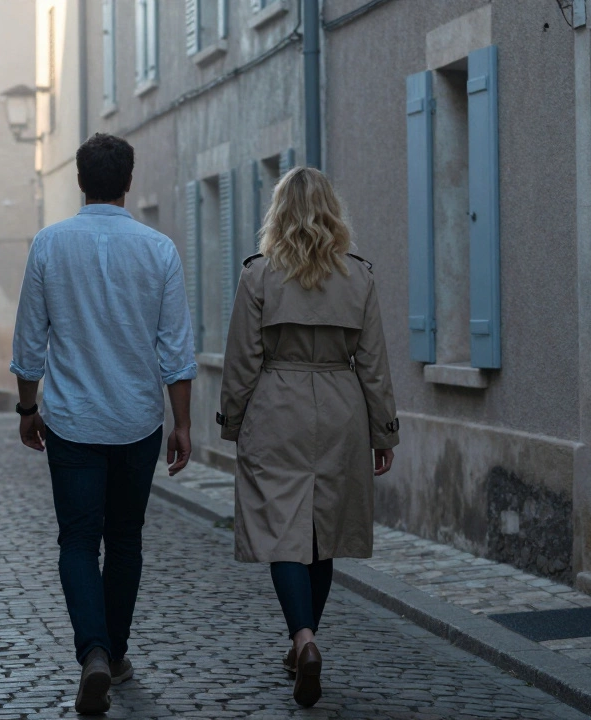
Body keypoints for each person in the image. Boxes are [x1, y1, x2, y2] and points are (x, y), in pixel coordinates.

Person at [11, 133, 197, 716]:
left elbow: (28, 342)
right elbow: (177, 349)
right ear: (129, 182)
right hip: (137, 421)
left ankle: (92, 652)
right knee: (124, 541)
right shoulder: (159, 250)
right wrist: (182, 423)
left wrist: (26, 408)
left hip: (70, 421)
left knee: (76, 540)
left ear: (79, 180)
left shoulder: (48, 244)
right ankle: (114, 656)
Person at [218, 166, 399, 708]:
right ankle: (306, 642)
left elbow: (242, 360)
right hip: (342, 405)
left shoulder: (259, 276)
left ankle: (303, 639)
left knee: (282, 526)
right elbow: (374, 365)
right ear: (330, 211)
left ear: (279, 213)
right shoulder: (359, 276)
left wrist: (232, 420)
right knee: (323, 528)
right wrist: (383, 430)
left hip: (278, 404)